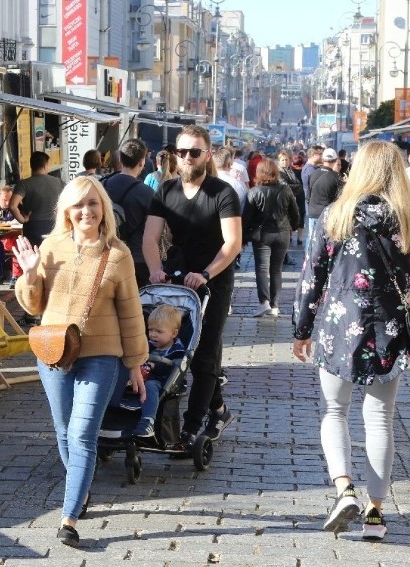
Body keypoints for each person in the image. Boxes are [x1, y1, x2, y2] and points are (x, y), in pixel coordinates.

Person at [293, 140, 410, 541]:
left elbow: (312, 276)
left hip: (338, 327)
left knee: (334, 411)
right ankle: (375, 512)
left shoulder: (335, 216)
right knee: (379, 420)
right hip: (389, 330)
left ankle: (343, 489)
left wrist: (301, 327)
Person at [13, 176, 148, 548]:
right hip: (53, 352)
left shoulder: (117, 255)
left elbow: (132, 315)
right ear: (67, 212)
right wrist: (29, 273)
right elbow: (33, 305)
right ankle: (82, 490)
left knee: (82, 434)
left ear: (103, 207)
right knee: (62, 429)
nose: (86, 211)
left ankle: (69, 516)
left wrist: (135, 363)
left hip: (102, 357)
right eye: (78, 205)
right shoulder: (51, 246)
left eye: (92, 203)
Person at [142, 124, 243, 448]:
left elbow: (233, 243)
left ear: (207, 154)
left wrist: (207, 273)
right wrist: (156, 269)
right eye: (181, 151)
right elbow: (150, 237)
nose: (186, 157)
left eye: (194, 152)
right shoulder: (166, 190)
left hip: (213, 278)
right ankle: (218, 408)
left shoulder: (221, 192)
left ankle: (192, 426)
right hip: (176, 276)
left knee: (204, 355)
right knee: (175, 346)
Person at [245, 158, 300, 317]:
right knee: (276, 270)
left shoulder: (254, 192)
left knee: (262, 269)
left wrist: (243, 237)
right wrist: (293, 227)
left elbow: (246, 218)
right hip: (282, 233)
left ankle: (264, 303)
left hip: (262, 235)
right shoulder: (285, 190)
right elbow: (294, 213)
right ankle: (275, 305)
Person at [102, 138, 154, 287]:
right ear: (142, 162)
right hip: (136, 258)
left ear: (121, 158)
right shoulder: (147, 193)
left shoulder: (102, 184)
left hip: (106, 254)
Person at [131, 304, 187, 437]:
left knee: (150, 386)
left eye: (159, 332)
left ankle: (148, 420)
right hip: (144, 377)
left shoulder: (177, 350)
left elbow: (174, 368)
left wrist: (155, 366)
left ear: (173, 333)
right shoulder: (148, 345)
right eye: (150, 330)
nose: (153, 335)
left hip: (164, 382)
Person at [10, 151, 65, 247]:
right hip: (56, 225)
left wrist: (22, 220)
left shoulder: (24, 184)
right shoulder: (59, 182)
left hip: (33, 227)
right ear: (45, 165)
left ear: (31, 165)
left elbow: (12, 206)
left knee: (34, 257)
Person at [306, 148, 342, 251]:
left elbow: (308, 196)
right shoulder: (336, 177)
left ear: (323, 160)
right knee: (324, 241)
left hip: (313, 212)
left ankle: (308, 262)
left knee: (311, 239)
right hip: (327, 214)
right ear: (335, 161)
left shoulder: (313, 173)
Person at [277, 151, 303, 265]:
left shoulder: (290, 171)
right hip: (282, 204)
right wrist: (295, 187)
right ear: (279, 161)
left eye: (286, 159)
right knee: (283, 231)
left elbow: (299, 186)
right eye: (282, 160)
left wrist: (295, 187)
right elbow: (285, 186)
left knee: (287, 231)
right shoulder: (278, 172)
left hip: (290, 203)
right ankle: (283, 256)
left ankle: (284, 255)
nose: (285, 162)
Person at [291, 153, 307, 245]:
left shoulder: (289, 172)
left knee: (290, 214)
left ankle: (290, 236)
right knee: (301, 213)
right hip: (301, 195)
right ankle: (300, 238)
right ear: (302, 164)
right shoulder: (304, 173)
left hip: (290, 194)